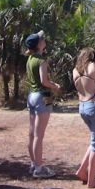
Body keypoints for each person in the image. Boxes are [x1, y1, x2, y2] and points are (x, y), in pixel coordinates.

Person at [25, 30, 61, 179]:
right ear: (39, 44)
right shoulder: (41, 60)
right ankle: (39, 168)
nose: (44, 40)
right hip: (42, 97)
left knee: (32, 133)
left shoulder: (30, 59)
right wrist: (55, 86)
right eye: (42, 39)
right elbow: (44, 81)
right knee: (39, 135)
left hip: (31, 96)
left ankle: (34, 163)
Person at [73, 47, 95, 188]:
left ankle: (82, 171)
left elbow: (81, 90)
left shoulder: (76, 70)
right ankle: (91, 180)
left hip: (82, 107)